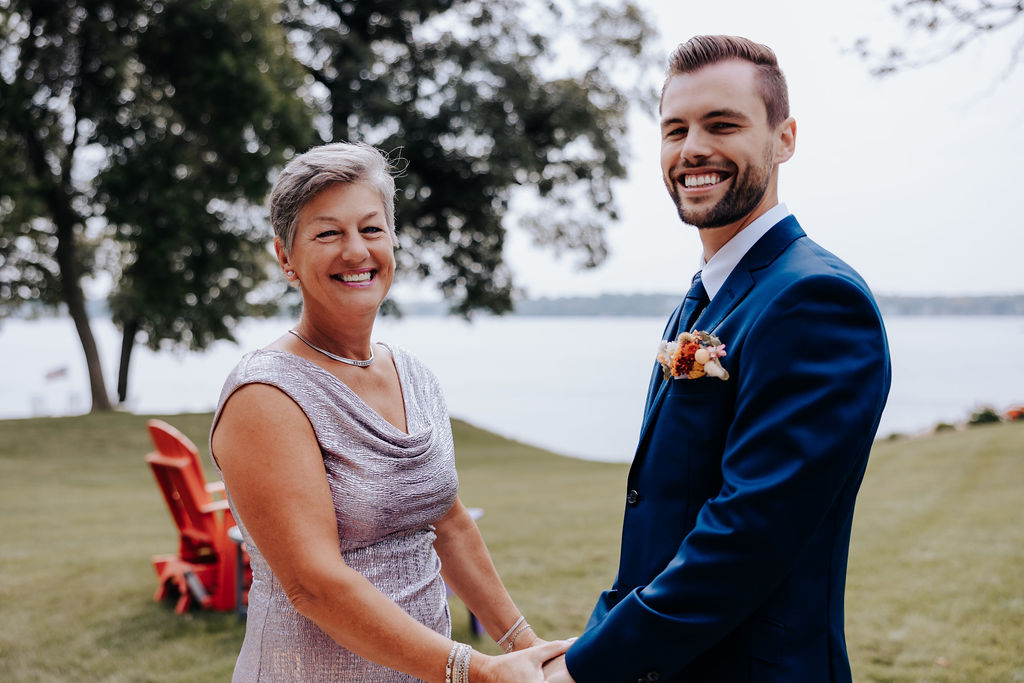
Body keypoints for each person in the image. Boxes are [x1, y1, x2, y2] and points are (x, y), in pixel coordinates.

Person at [544, 35, 891, 682]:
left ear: (784, 138)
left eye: (722, 125)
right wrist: (590, 640)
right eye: (675, 129)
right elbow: (663, 517)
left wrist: (586, 668)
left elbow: (746, 535)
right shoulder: (707, 297)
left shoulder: (815, 299)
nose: (692, 148)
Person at [210, 142, 570, 682]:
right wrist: (477, 672)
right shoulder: (265, 395)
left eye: (371, 229)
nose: (355, 251)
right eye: (328, 233)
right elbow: (314, 585)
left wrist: (524, 643)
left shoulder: (415, 376)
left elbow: (448, 523)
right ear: (286, 257)